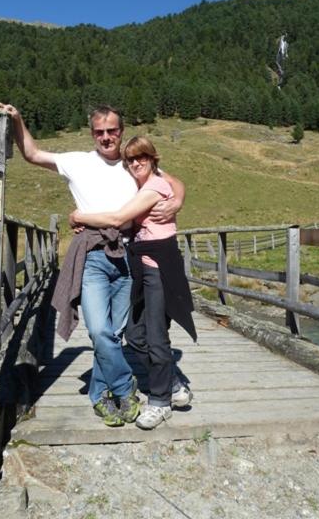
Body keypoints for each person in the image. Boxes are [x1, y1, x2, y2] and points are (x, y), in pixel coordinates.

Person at [0, 103, 185, 427]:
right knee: (98, 330)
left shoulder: (133, 164)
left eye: (112, 130)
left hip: (127, 255)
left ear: (120, 132)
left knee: (114, 333)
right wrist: (16, 119)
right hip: (94, 255)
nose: (106, 137)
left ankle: (100, 396)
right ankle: (125, 388)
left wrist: (177, 201)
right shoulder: (77, 162)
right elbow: (32, 154)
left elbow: (173, 183)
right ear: (92, 133)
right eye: (100, 132)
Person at [70, 136, 197, 430]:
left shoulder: (153, 186)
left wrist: (78, 215)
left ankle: (160, 402)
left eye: (142, 157)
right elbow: (178, 183)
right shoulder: (143, 182)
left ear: (153, 159)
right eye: (131, 159)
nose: (136, 163)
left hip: (160, 267)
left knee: (155, 335)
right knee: (135, 334)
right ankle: (173, 382)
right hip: (142, 266)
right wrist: (178, 198)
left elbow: (117, 218)